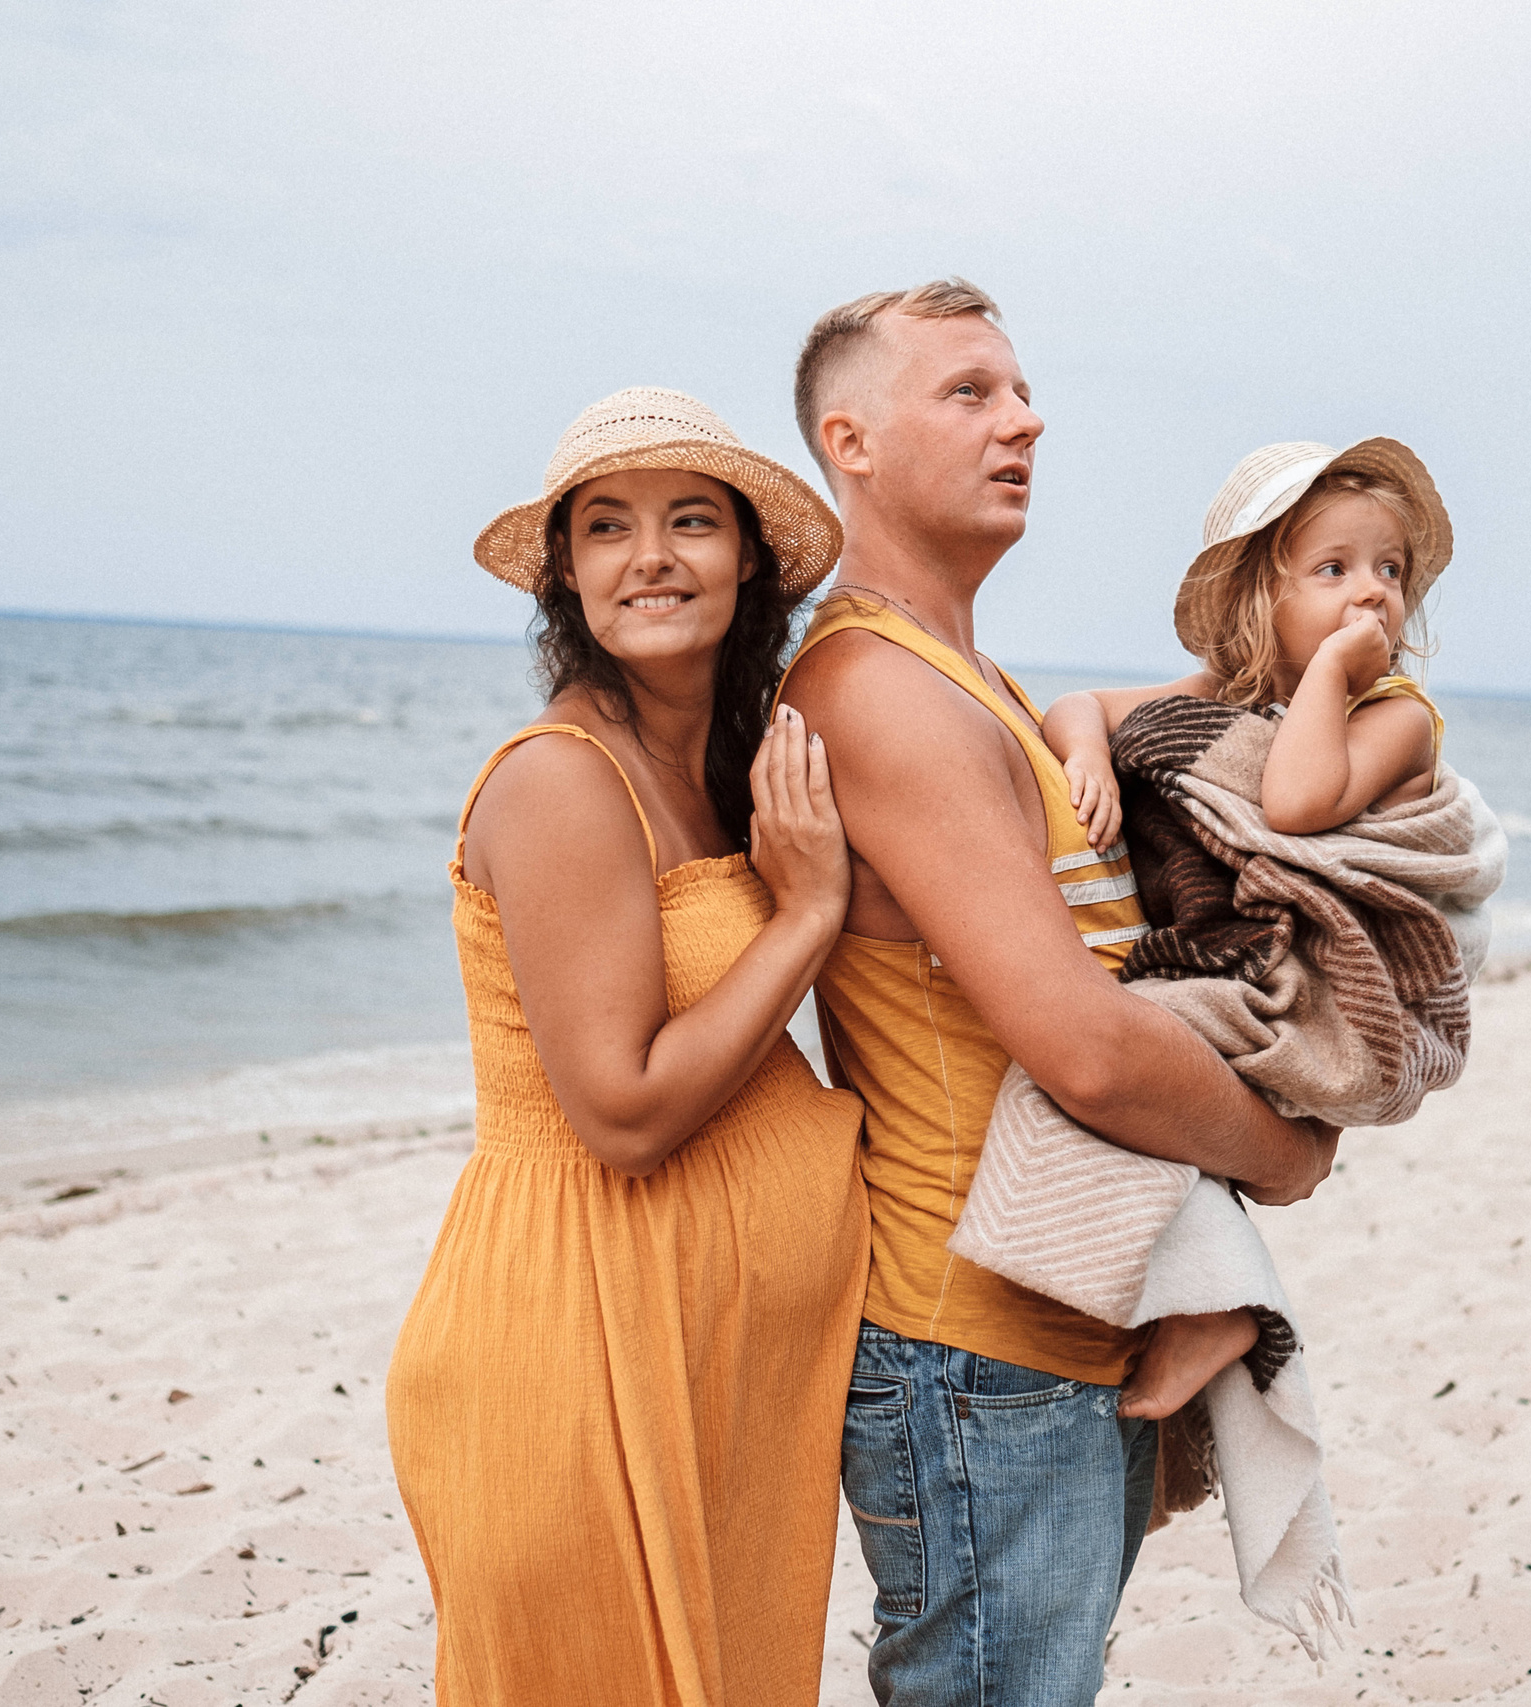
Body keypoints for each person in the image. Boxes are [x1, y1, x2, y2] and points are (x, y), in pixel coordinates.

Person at [775, 281, 1339, 1706]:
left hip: (1056, 1317)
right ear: (850, 439)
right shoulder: (882, 690)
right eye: (968, 391)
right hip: (975, 1342)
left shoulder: (975, 679)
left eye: (1020, 391)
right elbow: (1083, 1045)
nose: (1023, 418)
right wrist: (1286, 1151)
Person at [384, 387, 871, 1707]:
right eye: (607, 527)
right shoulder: (561, 778)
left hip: (708, 1366)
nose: (649, 554)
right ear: (567, 574)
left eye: (689, 521)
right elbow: (623, 1109)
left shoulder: (723, 769)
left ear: (749, 560)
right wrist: (812, 910)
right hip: (577, 1343)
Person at [1039, 437, 1454, 1419]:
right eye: (1333, 569)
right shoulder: (1228, 700)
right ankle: (1184, 1298)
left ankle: (1214, 1309)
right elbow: (1076, 703)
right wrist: (1093, 758)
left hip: (1315, 988)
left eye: (1389, 571)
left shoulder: (1396, 717)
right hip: (1229, 953)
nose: (1372, 594)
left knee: (1123, 1055)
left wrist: (1330, 676)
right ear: (1259, 598)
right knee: (1122, 1079)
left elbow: (1299, 800)